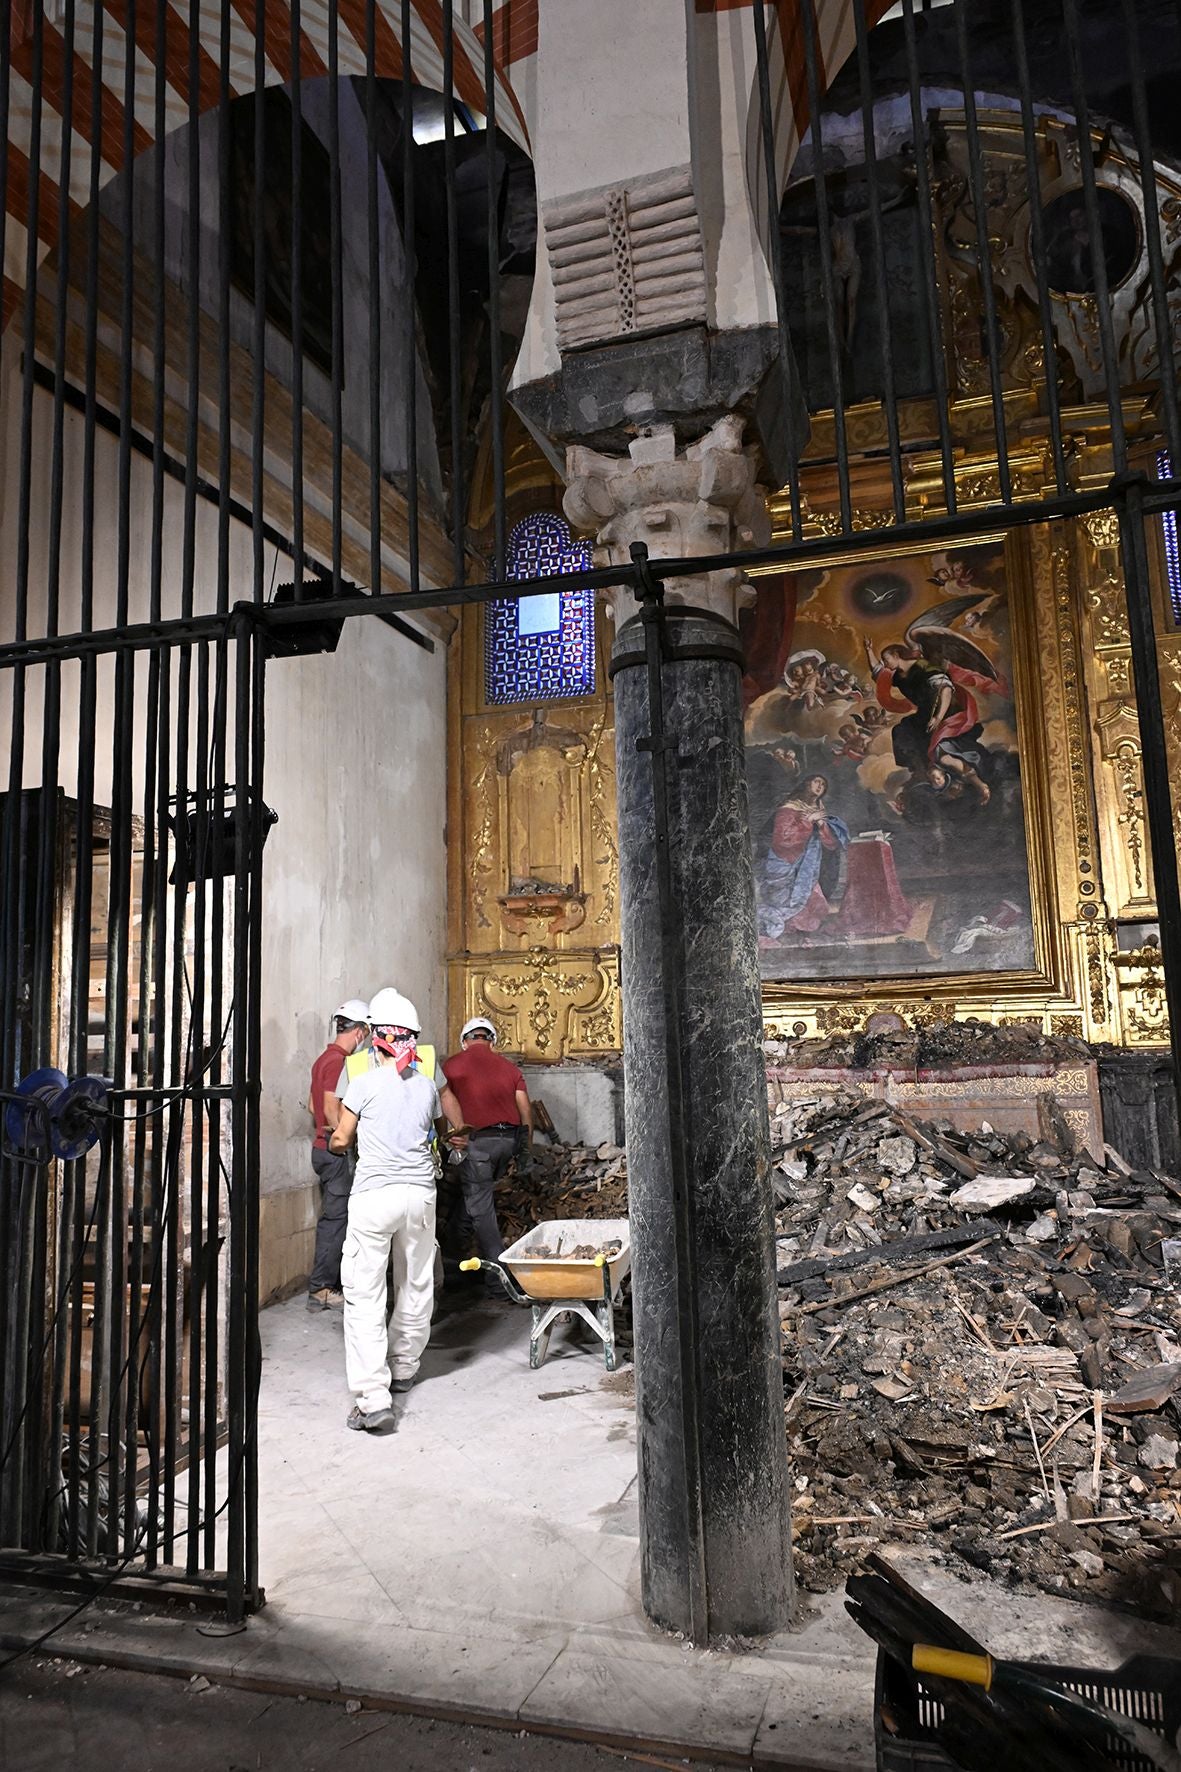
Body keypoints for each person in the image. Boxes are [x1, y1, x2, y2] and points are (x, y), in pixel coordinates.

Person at [329, 991, 465, 1433]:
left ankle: (372, 1399)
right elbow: (438, 1130)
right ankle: (404, 1366)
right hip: (420, 1196)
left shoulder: (364, 1084)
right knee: (416, 1280)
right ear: (410, 1039)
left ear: (376, 1037)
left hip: (375, 1196)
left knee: (365, 1292)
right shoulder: (426, 1086)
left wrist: (339, 1138)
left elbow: (342, 1139)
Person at [439, 1017, 531, 1278]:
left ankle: (497, 1279)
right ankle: (454, 1255)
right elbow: (525, 1111)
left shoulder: (452, 1065)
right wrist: (525, 1148)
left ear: (465, 1041)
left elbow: (442, 1103)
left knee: (481, 1208)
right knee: (475, 1198)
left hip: (475, 1143)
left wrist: (446, 1137)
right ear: (492, 1041)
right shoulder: (510, 1069)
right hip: (508, 1142)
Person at [306, 999, 370, 1313]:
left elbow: (311, 1105)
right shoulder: (339, 1062)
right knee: (336, 1221)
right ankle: (321, 1289)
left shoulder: (322, 1060)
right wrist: (344, 1139)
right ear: (358, 1032)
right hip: (333, 1152)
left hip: (321, 1149)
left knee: (336, 1218)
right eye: (366, 1033)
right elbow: (331, 1108)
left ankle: (329, 1283)